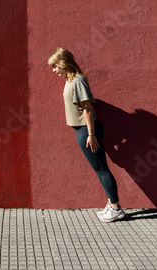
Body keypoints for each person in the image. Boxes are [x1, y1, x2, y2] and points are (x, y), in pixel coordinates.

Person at [48, 47, 126, 222]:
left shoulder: (78, 81)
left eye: (55, 66)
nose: (54, 70)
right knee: (99, 169)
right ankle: (110, 203)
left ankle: (116, 208)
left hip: (87, 130)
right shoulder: (70, 80)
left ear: (63, 63)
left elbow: (88, 109)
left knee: (101, 168)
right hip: (82, 130)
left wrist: (91, 135)